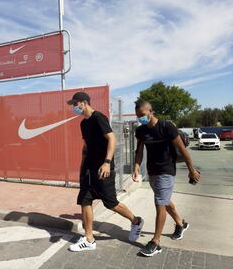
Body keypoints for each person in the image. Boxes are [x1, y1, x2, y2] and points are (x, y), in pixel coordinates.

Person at [67, 92, 144, 252]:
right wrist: (82, 168)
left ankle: (136, 221)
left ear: (84, 102)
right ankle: (89, 239)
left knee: (111, 203)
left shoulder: (98, 117)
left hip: (103, 169)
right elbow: (86, 147)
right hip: (89, 169)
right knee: (85, 200)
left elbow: (112, 139)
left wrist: (107, 162)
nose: (74, 107)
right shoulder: (83, 123)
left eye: (75, 104)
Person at [133, 100, 200, 257]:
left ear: (151, 111)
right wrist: (136, 167)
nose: (140, 118)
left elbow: (182, 150)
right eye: (137, 115)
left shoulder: (166, 127)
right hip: (152, 171)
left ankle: (156, 242)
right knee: (164, 199)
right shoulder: (141, 131)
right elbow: (139, 151)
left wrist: (191, 170)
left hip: (167, 170)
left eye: (142, 114)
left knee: (160, 204)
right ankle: (180, 223)